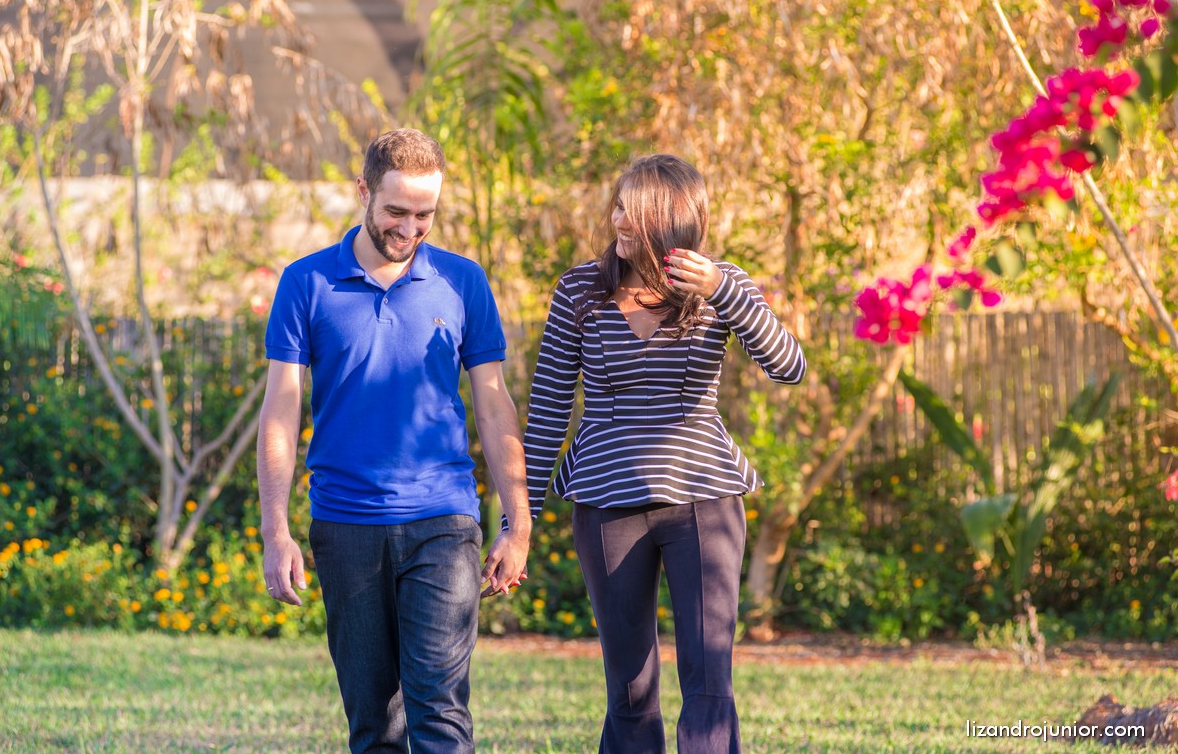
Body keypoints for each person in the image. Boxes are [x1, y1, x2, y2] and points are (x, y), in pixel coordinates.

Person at [257, 128, 531, 754]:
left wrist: (519, 522)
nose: (410, 228)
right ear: (363, 192)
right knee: (374, 724)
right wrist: (277, 529)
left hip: (443, 519)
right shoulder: (307, 283)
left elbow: (493, 405)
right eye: (396, 211)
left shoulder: (463, 283)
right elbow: (281, 410)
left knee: (441, 714)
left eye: (425, 214)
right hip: (345, 524)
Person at [523, 153, 805, 753]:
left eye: (633, 209)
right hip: (607, 505)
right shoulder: (580, 289)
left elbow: (789, 367)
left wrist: (724, 289)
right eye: (618, 205)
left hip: (704, 501)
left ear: (670, 220)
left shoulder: (720, 287)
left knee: (709, 681)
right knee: (629, 686)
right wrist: (517, 517)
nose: (618, 219)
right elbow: (548, 407)